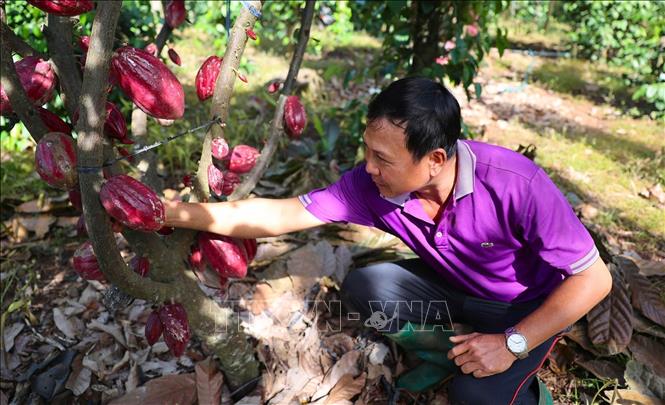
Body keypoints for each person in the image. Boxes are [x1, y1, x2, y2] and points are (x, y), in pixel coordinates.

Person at [164, 77, 612, 404]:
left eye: (383, 158)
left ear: (435, 160)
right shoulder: (374, 186)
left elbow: (594, 280)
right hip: (455, 288)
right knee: (366, 288)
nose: (369, 167)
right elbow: (283, 214)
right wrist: (171, 213)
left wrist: (513, 342)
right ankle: (449, 353)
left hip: (525, 306)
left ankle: (520, 379)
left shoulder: (516, 184)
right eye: (367, 151)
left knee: (474, 397)